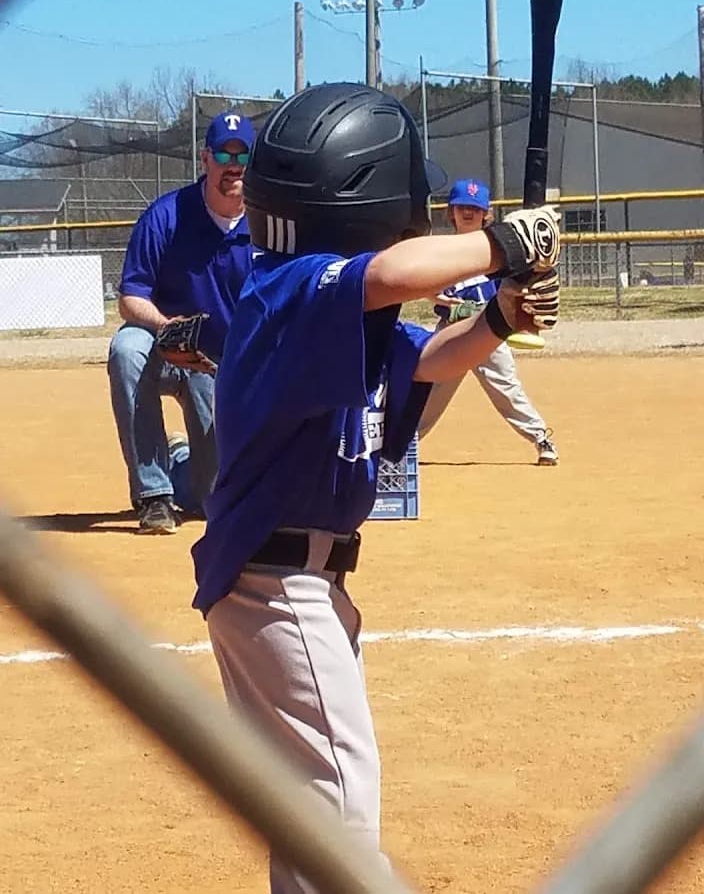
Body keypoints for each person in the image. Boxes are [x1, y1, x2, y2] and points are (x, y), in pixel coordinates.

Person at [190, 82, 560, 893]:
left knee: (310, 807)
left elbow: (425, 362)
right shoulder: (289, 289)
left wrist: (498, 318)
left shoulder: (329, 311)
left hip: (292, 583)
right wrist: (502, 241)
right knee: (340, 803)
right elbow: (392, 271)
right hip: (276, 585)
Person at [107, 111, 256, 535]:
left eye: (243, 155)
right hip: (167, 349)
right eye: (223, 154)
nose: (233, 165)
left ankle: (179, 461)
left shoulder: (268, 223)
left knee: (212, 500)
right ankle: (153, 495)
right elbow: (131, 297)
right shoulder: (167, 215)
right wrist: (166, 327)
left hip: (221, 365)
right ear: (205, 158)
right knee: (127, 350)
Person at [418, 178, 559, 464]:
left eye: (475, 208)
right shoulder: (442, 248)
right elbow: (422, 283)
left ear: (486, 213)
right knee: (429, 391)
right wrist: (434, 297)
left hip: (487, 329)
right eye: (462, 207)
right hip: (451, 331)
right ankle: (399, 447)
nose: (468, 213)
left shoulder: (498, 250)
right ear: (451, 212)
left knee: (506, 387)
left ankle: (540, 438)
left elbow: (515, 287)